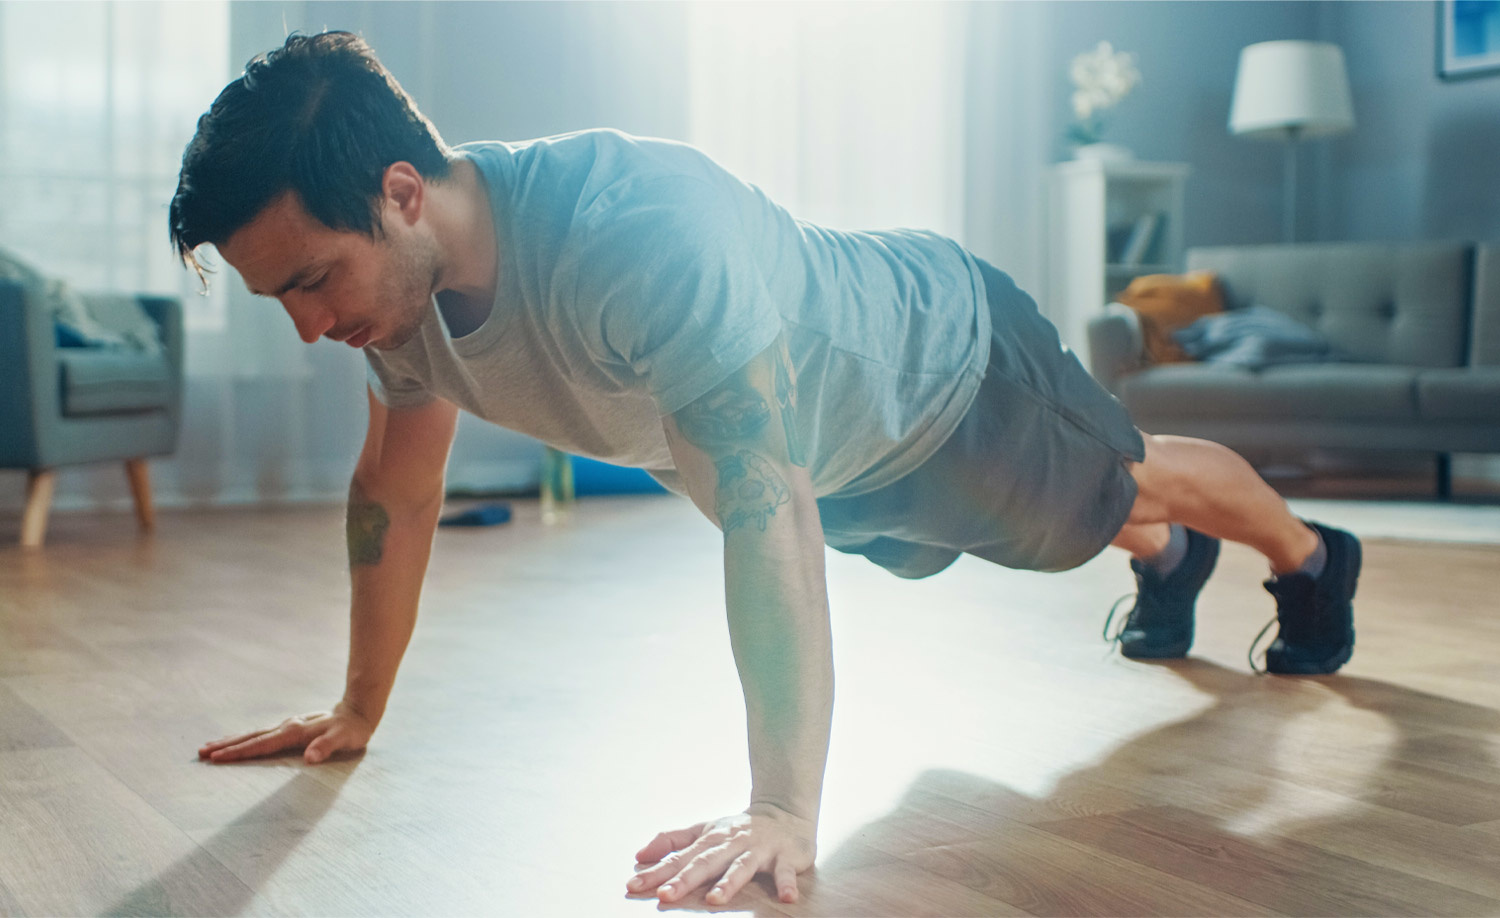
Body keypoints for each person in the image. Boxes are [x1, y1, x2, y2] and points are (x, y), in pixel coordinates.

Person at [173, 31, 1360, 908]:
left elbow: (761, 503)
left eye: (310, 280)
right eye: (281, 295)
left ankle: (1310, 559)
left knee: (1120, 483)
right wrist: (359, 709)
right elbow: (396, 489)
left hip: (943, 370)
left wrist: (782, 812)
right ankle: (1159, 549)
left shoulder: (631, 229)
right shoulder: (398, 306)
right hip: (839, 461)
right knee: (1066, 524)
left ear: (399, 195)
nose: (307, 326)